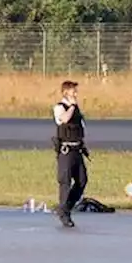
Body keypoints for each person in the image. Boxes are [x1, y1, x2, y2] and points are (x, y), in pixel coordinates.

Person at [52, 80, 89, 228]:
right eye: (73, 91)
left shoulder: (76, 108)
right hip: (66, 151)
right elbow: (64, 119)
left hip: (77, 149)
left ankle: (66, 207)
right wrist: (72, 106)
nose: (76, 93)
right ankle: (64, 212)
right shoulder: (59, 107)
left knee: (82, 181)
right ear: (66, 92)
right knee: (65, 182)